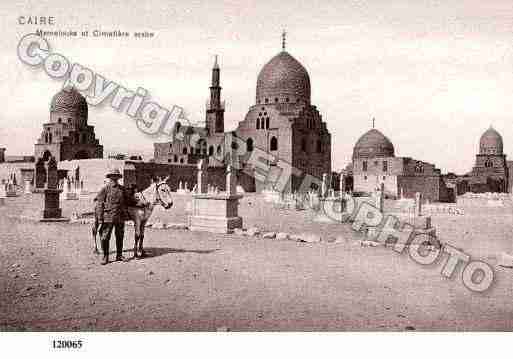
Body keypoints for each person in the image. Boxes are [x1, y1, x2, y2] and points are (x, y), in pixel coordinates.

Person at [95, 169, 132, 265]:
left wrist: (140, 202)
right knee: (105, 237)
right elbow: (99, 204)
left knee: (120, 236)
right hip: (108, 217)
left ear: (118, 178)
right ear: (110, 177)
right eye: (113, 176)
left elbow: (129, 200)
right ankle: (105, 256)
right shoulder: (105, 189)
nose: (114, 178)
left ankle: (119, 255)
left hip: (120, 217)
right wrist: (99, 218)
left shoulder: (122, 189)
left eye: (116, 176)